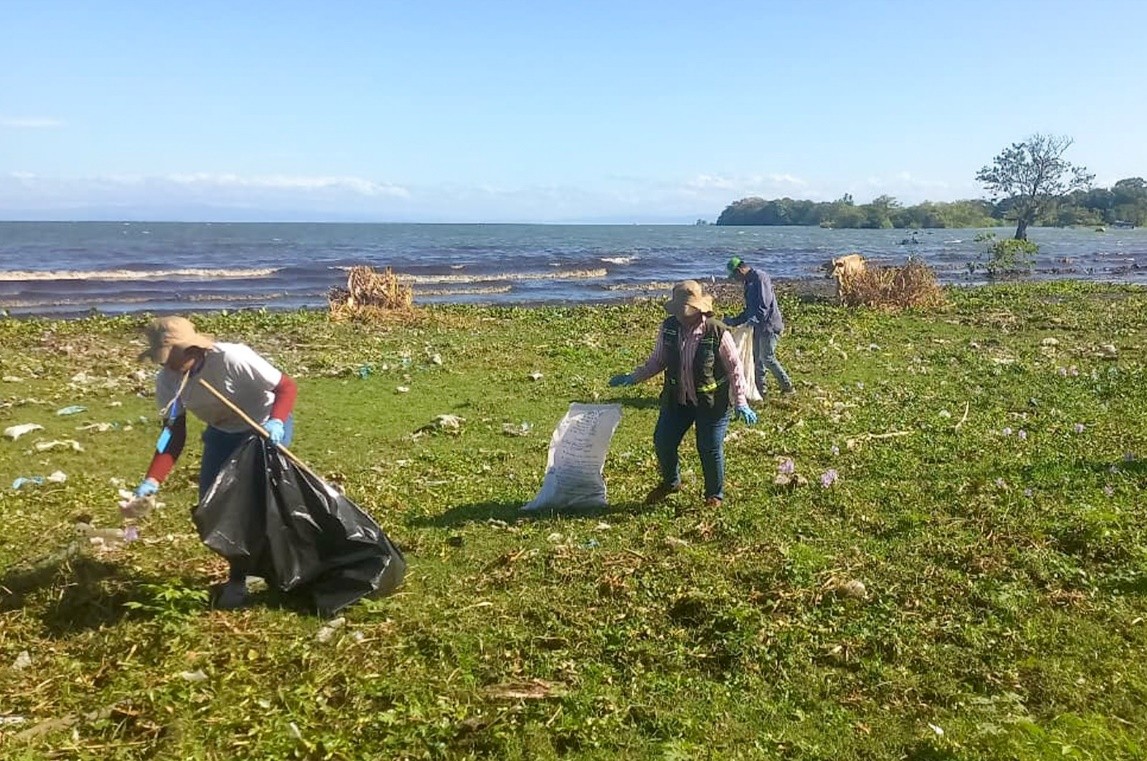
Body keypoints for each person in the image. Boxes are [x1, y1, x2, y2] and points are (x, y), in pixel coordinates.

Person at [133, 316, 298, 609]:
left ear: (191, 349)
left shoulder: (233, 358)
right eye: (162, 360)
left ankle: (252, 575)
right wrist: (152, 479)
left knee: (253, 504)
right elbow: (171, 432)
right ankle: (245, 572)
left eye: (170, 357)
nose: (166, 365)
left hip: (263, 427)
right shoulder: (169, 380)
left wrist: (276, 422)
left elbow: (286, 387)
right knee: (214, 508)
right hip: (222, 435)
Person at [609, 280, 757, 508]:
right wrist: (633, 377)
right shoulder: (669, 328)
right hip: (679, 400)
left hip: (712, 403)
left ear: (698, 309)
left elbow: (734, 368)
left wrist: (740, 402)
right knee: (663, 441)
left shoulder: (716, 331)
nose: (681, 316)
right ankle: (671, 482)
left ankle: (714, 495)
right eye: (678, 311)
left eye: (685, 311)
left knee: (708, 447)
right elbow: (658, 361)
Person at [724, 256, 794, 396]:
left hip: (769, 325)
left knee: (767, 358)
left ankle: (787, 386)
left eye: (735, 276)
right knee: (757, 359)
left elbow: (764, 305)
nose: (735, 280)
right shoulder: (749, 282)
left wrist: (753, 320)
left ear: (740, 270)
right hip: (758, 326)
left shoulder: (760, 278)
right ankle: (761, 390)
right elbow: (749, 310)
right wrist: (733, 321)